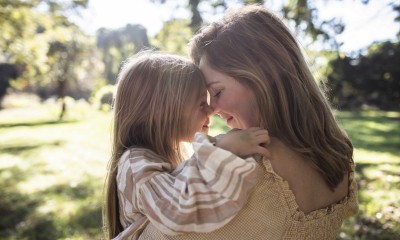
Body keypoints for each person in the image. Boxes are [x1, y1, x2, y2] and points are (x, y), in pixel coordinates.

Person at [138, 5, 358, 240]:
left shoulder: (243, 165)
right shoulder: (338, 155)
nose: (212, 109)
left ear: (262, 73)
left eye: (218, 92)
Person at [103, 51, 271, 240]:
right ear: (160, 110)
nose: (212, 110)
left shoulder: (156, 158)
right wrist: (224, 151)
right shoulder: (135, 164)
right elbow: (175, 212)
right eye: (201, 103)